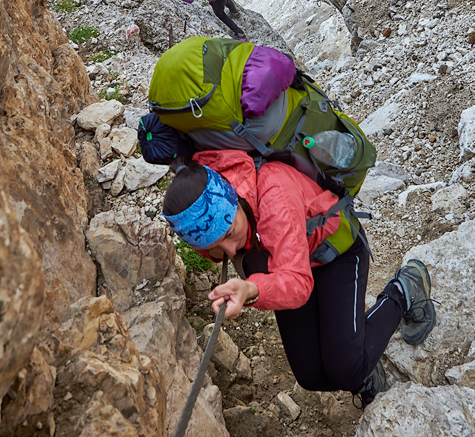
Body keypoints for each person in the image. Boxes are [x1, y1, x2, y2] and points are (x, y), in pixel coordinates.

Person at [162, 150, 436, 406]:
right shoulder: (206, 196)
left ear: (235, 200)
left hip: (335, 253)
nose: (231, 251)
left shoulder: (274, 195)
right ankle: (358, 356)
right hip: (288, 260)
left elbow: (298, 284)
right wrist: (235, 261)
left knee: (347, 369)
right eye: (215, 247)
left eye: (231, 233)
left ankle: (404, 289)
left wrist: (252, 287)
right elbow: (281, 269)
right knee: (310, 375)